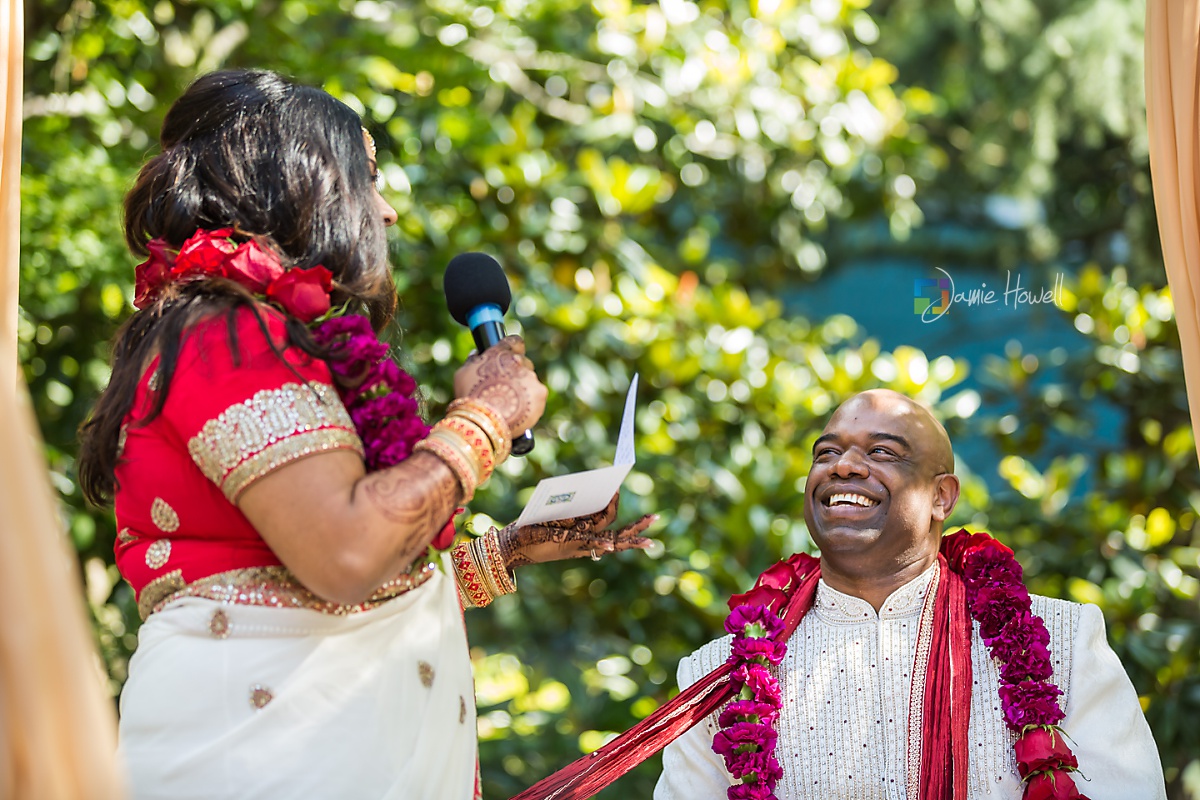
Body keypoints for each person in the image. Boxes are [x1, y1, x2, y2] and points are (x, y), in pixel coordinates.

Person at [76, 68, 654, 800]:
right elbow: (344, 551)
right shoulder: (223, 327)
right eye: (366, 179)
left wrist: (505, 552)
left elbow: (310, 577)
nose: (384, 213)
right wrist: (485, 421)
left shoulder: (264, 331)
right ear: (299, 182)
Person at [654, 389, 1166, 800]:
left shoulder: (1064, 641)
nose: (845, 467)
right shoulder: (717, 676)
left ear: (942, 496)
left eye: (881, 452)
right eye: (827, 452)